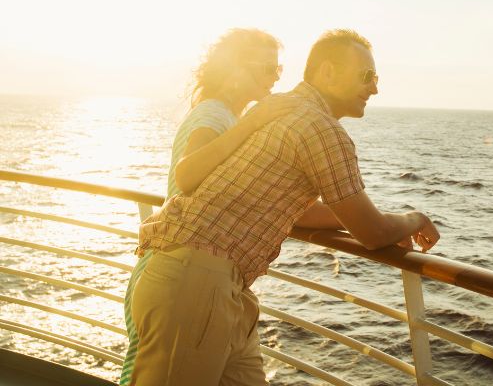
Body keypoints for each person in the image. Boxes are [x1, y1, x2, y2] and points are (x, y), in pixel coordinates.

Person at [130, 29, 440, 385]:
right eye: (366, 76)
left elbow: (290, 207)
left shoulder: (283, 113)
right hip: (198, 284)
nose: (374, 88)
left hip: (211, 283)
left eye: (376, 78)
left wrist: (354, 220)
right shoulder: (320, 129)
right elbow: (373, 233)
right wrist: (414, 219)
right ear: (327, 72)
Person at [120, 28, 290, 386]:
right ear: (234, 70)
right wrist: (258, 121)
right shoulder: (215, 116)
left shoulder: (228, 119)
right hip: (181, 271)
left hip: (205, 276)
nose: (273, 79)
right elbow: (189, 174)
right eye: (265, 69)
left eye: (277, 70)